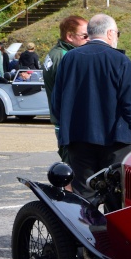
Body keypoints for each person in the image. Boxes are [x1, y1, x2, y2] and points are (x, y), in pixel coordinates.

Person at [52, 14, 131, 198]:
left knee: (83, 196)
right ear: (110, 33)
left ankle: (85, 227)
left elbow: (57, 99)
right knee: (118, 195)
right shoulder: (120, 60)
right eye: (117, 33)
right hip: (116, 139)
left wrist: (64, 127)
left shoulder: (69, 58)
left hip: (79, 137)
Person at [43, 15, 89, 163]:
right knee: (73, 171)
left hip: (63, 121)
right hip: (69, 124)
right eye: (85, 36)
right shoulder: (65, 57)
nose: (89, 39)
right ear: (69, 36)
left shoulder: (55, 53)